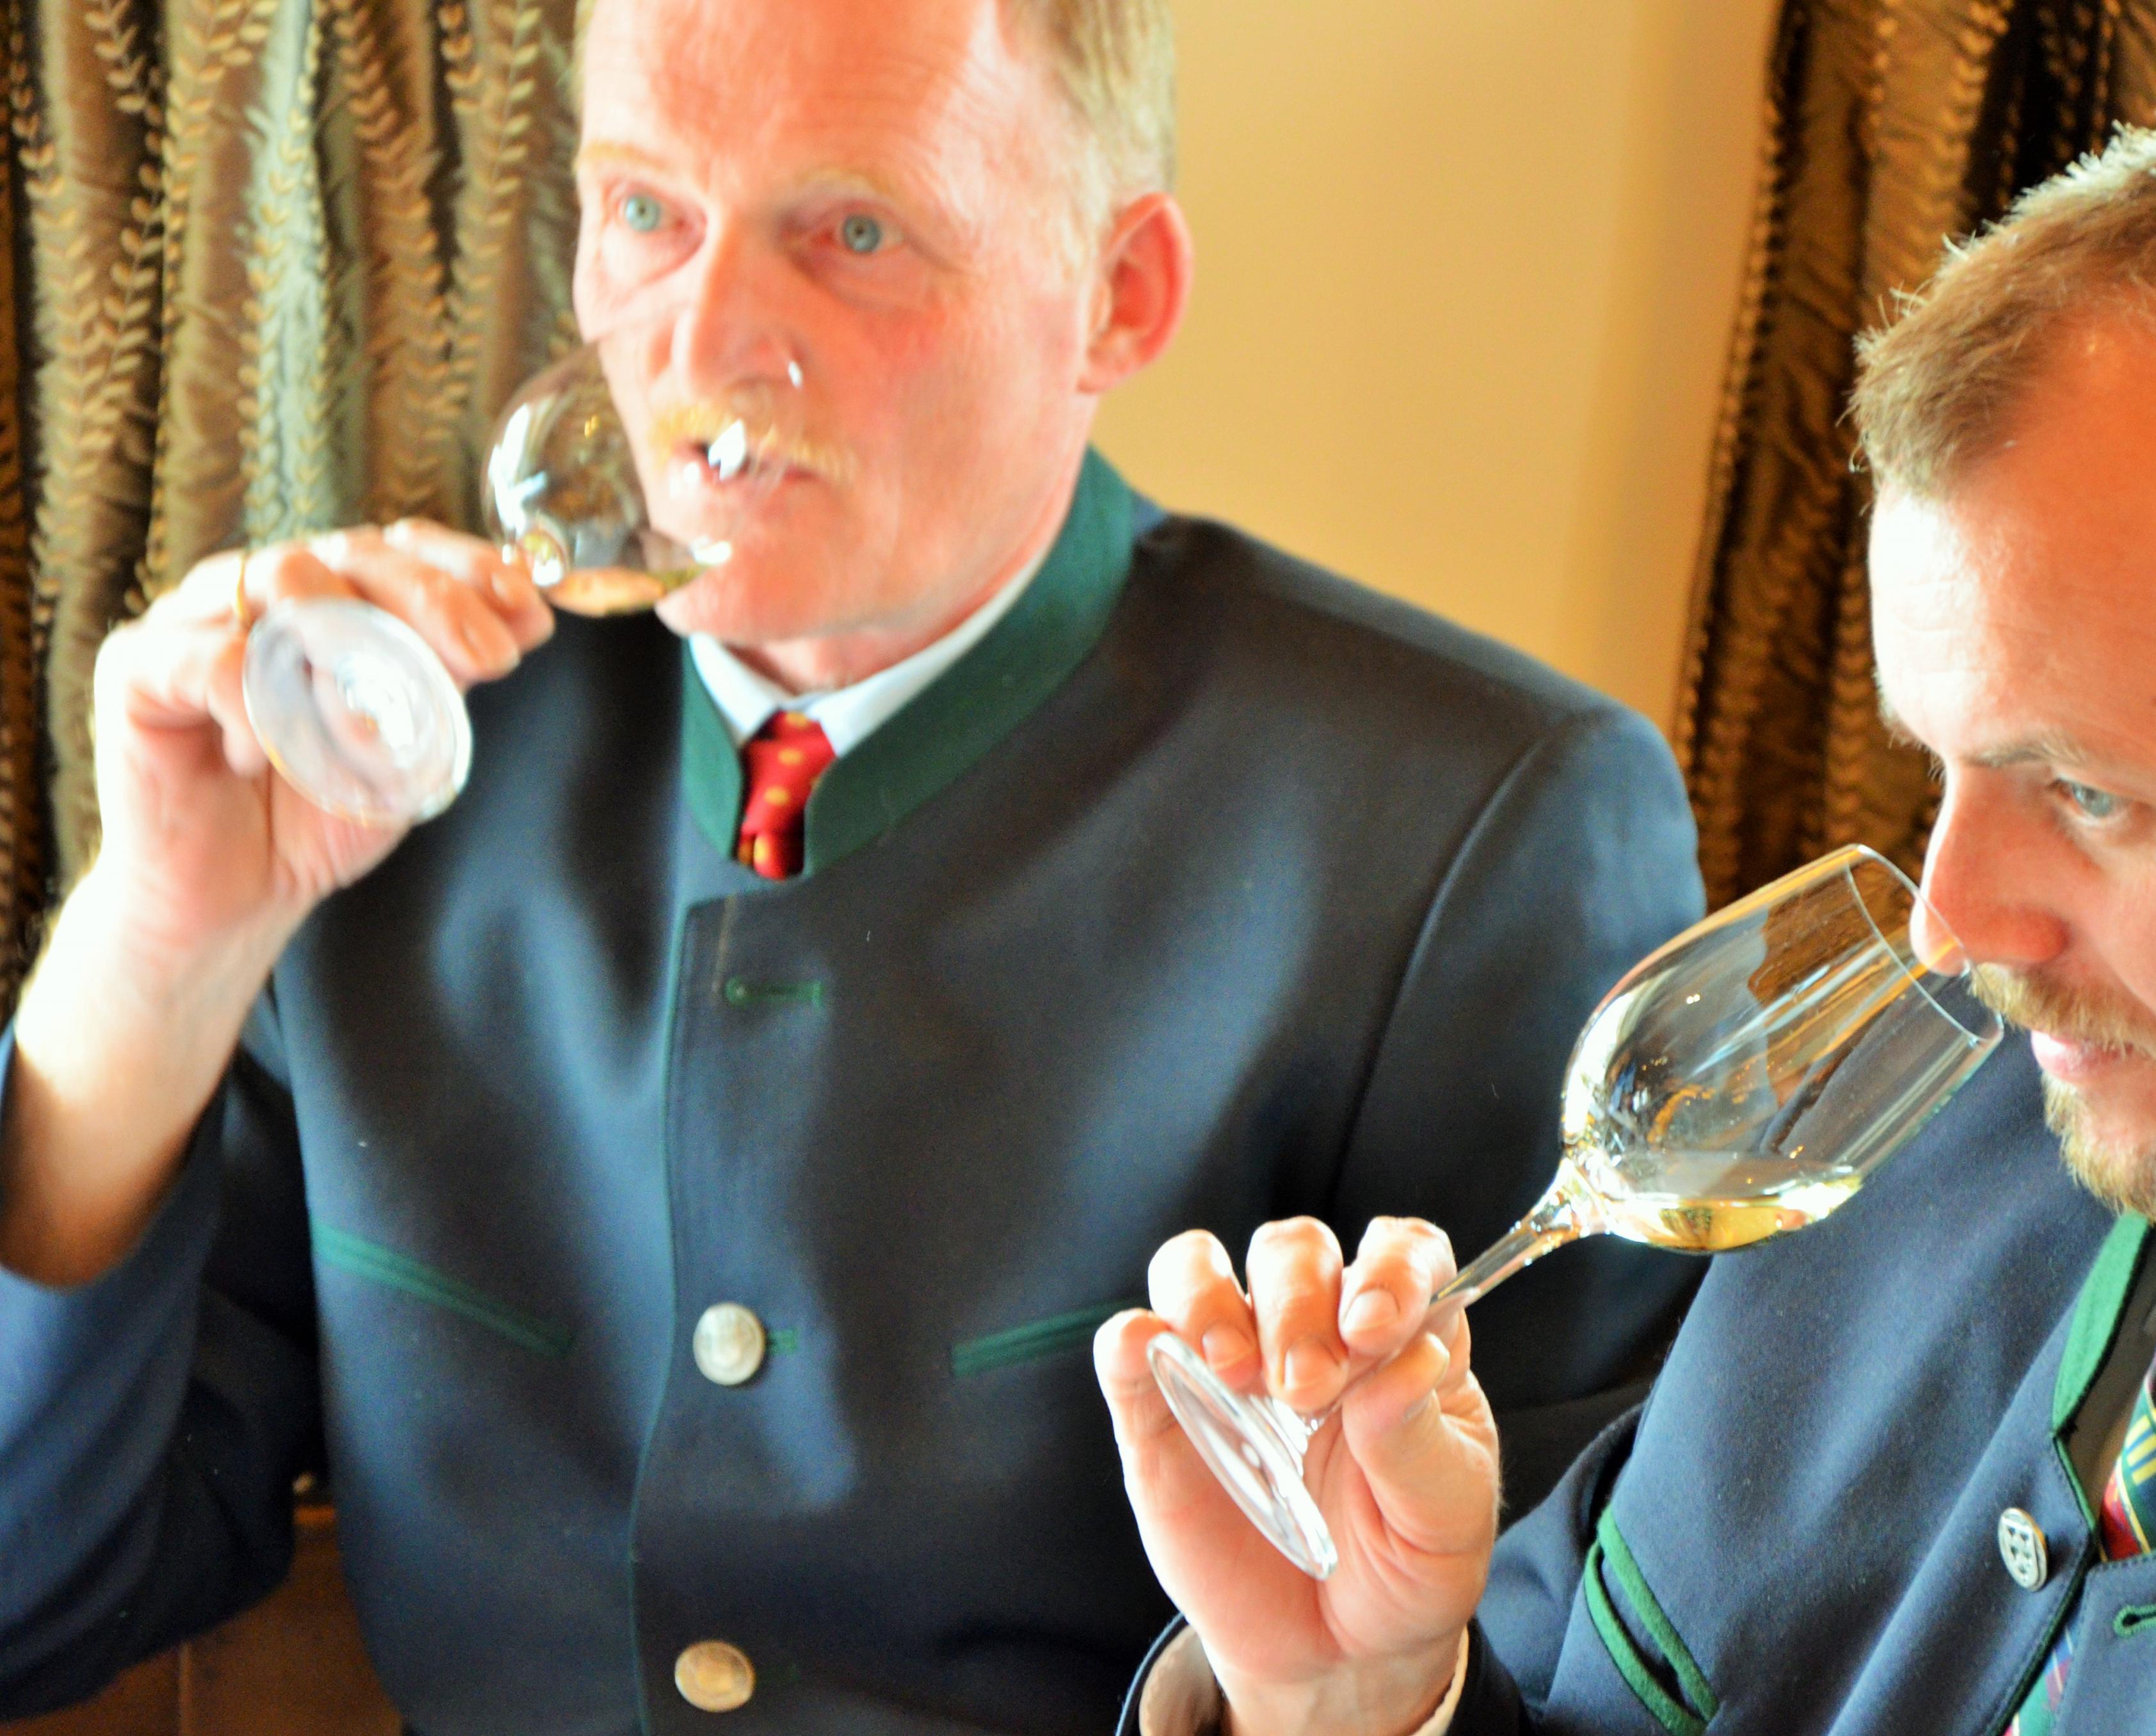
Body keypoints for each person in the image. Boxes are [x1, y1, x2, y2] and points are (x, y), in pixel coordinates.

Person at [0, 0, 1707, 1728]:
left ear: (1118, 296)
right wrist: (153, 945)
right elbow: (29, 1596)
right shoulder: (384, 764)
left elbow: (1572, 1671)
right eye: (646, 213)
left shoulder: (1486, 828)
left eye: (855, 233)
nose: (700, 346)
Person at [1101, 96, 2156, 1736]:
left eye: (2082, 792)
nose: (1946, 930)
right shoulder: (1890, 1161)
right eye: (1939, 767)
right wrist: (1360, 1702)